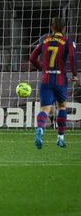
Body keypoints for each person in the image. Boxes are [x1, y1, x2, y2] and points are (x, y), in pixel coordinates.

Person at [29, 17, 78, 149]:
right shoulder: (67, 41)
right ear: (64, 28)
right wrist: (74, 74)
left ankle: (40, 128)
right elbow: (73, 57)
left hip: (46, 79)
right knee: (62, 107)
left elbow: (32, 57)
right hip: (60, 79)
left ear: (51, 27)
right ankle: (60, 138)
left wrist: (41, 68)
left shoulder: (44, 40)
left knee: (45, 109)